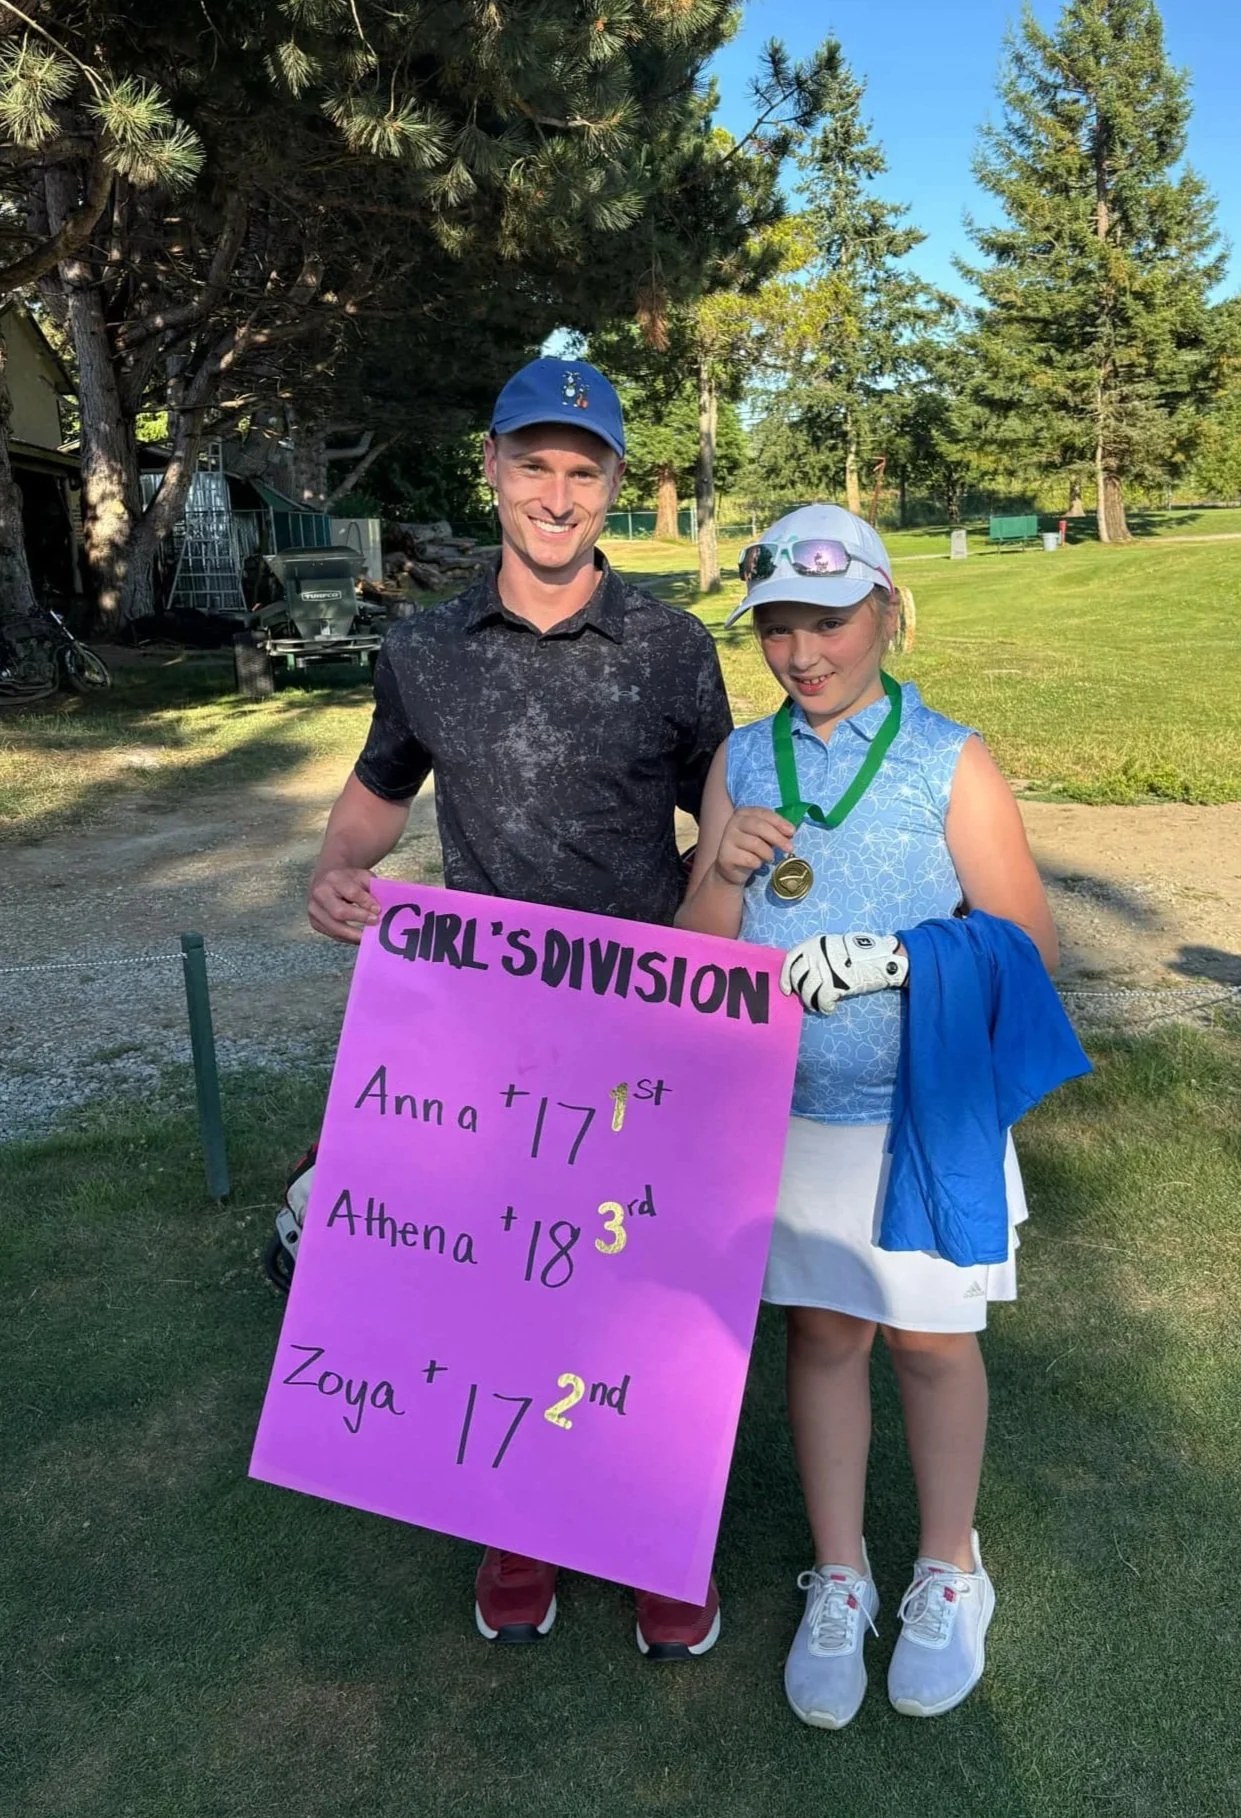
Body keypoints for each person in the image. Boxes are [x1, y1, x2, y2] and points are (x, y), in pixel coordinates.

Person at [307, 355, 732, 1659]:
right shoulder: (423, 648)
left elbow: (720, 814)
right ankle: (522, 1528)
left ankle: (660, 1537)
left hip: (645, 1027)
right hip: (490, 1036)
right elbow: (379, 789)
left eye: (582, 469)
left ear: (612, 484)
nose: (556, 493)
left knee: (652, 1297)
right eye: (533, 465)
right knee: (515, 1295)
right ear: (488, 468)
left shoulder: (670, 645)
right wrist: (337, 870)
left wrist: (714, 962)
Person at [677, 502, 1061, 1728]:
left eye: (829, 621)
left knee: (934, 1344)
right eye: (777, 628)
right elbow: (690, 956)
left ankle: (949, 1566)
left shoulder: (951, 756)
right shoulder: (738, 761)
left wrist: (905, 961)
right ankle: (840, 1576)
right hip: (785, 1120)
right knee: (826, 1339)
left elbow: (1029, 948)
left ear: (888, 611)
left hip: (922, 1116)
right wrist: (724, 870)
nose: (803, 653)